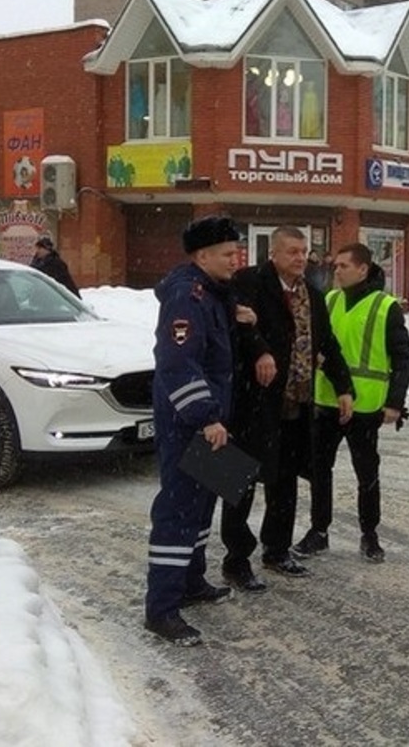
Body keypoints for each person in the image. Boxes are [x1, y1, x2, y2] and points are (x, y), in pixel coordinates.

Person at [221, 226, 354, 590]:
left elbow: (327, 343)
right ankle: (235, 559)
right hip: (252, 402)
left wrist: (344, 387)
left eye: (303, 251)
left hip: (296, 402)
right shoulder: (247, 282)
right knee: (239, 480)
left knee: (284, 480)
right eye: (292, 251)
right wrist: (260, 348)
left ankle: (276, 549)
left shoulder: (312, 294)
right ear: (274, 254)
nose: (300, 258)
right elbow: (234, 326)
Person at [144, 216, 249, 646]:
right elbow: (177, 363)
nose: (235, 259)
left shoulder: (211, 293)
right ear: (202, 256)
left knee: (203, 504)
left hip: (209, 421)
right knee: (178, 511)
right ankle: (161, 610)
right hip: (189, 422)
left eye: (236, 251)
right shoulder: (187, 296)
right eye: (227, 253)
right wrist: (205, 417)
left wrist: (233, 313)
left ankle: (192, 581)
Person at [293, 243, 409, 563]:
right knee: (320, 470)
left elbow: (403, 358)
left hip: (366, 406)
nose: (337, 271)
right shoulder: (329, 300)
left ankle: (369, 533)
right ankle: (319, 531)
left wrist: (395, 402)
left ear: (363, 269)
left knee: (367, 472)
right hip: (326, 400)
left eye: (344, 266)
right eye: (335, 266)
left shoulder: (385, 306)